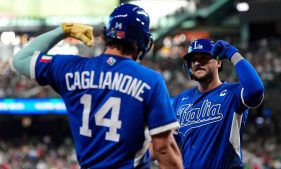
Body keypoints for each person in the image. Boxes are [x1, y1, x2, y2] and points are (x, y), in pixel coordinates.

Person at [12, 3, 183, 169]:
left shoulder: (69, 68)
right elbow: (163, 148)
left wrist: (63, 31)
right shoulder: (150, 80)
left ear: (108, 33)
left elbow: (20, 60)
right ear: (142, 41)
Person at [172, 39, 264, 169]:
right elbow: (170, 145)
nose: (197, 62)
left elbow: (256, 90)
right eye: (193, 60)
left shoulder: (233, 93)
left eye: (204, 58)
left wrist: (233, 54)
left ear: (218, 62)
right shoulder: (180, 100)